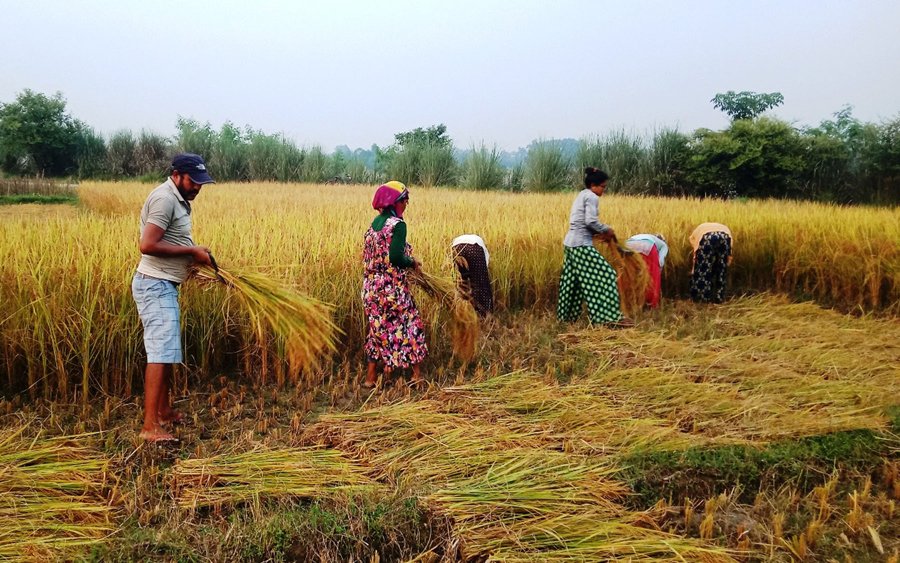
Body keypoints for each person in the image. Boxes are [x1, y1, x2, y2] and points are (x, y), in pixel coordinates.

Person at [132, 153, 215, 442]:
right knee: (159, 352)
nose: (198, 187)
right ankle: (150, 426)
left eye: (201, 183)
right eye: (194, 181)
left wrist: (192, 259)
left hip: (164, 284)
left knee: (165, 351)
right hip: (154, 284)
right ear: (177, 174)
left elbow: (173, 240)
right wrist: (192, 253)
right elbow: (148, 244)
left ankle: (164, 411)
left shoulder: (179, 201)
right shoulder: (165, 199)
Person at [362, 181, 428, 388]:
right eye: (404, 199)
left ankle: (370, 379)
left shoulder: (375, 224)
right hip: (392, 290)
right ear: (394, 202)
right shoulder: (398, 226)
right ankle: (416, 376)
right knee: (410, 325)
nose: (406, 203)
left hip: (371, 289)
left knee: (377, 329)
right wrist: (412, 262)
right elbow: (396, 258)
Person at [557, 167, 633, 327]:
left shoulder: (582, 194)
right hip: (581, 245)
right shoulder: (592, 197)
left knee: (572, 281)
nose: (603, 190)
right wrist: (607, 229)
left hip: (570, 244)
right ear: (593, 184)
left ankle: (566, 318)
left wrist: (598, 234)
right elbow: (590, 221)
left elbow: (581, 222)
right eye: (602, 187)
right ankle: (608, 318)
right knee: (606, 275)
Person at [689, 222, 733, 303]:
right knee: (721, 269)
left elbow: (693, 242)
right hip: (725, 237)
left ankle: (702, 299)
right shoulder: (724, 227)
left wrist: (696, 253)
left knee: (703, 270)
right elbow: (730, 242)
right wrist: (728, 257)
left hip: (707, 238)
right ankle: (719, 298)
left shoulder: (697, 232)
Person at [451, 234, 493, 317]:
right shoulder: (482, 248)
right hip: (474, 248)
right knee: (481, 284)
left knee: (462, 284)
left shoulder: (461, 239)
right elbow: (483, 271)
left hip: (456, 248)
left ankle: (464, 313)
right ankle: (484, 315)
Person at [625, 233, 668, 309]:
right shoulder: (663, 245)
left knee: (632, 276)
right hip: (647, 246)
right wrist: (658, 269)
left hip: (628, 245)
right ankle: (651, 304)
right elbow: (660, 262)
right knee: (653, 277)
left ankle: (631, 302)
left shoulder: (644, 235)